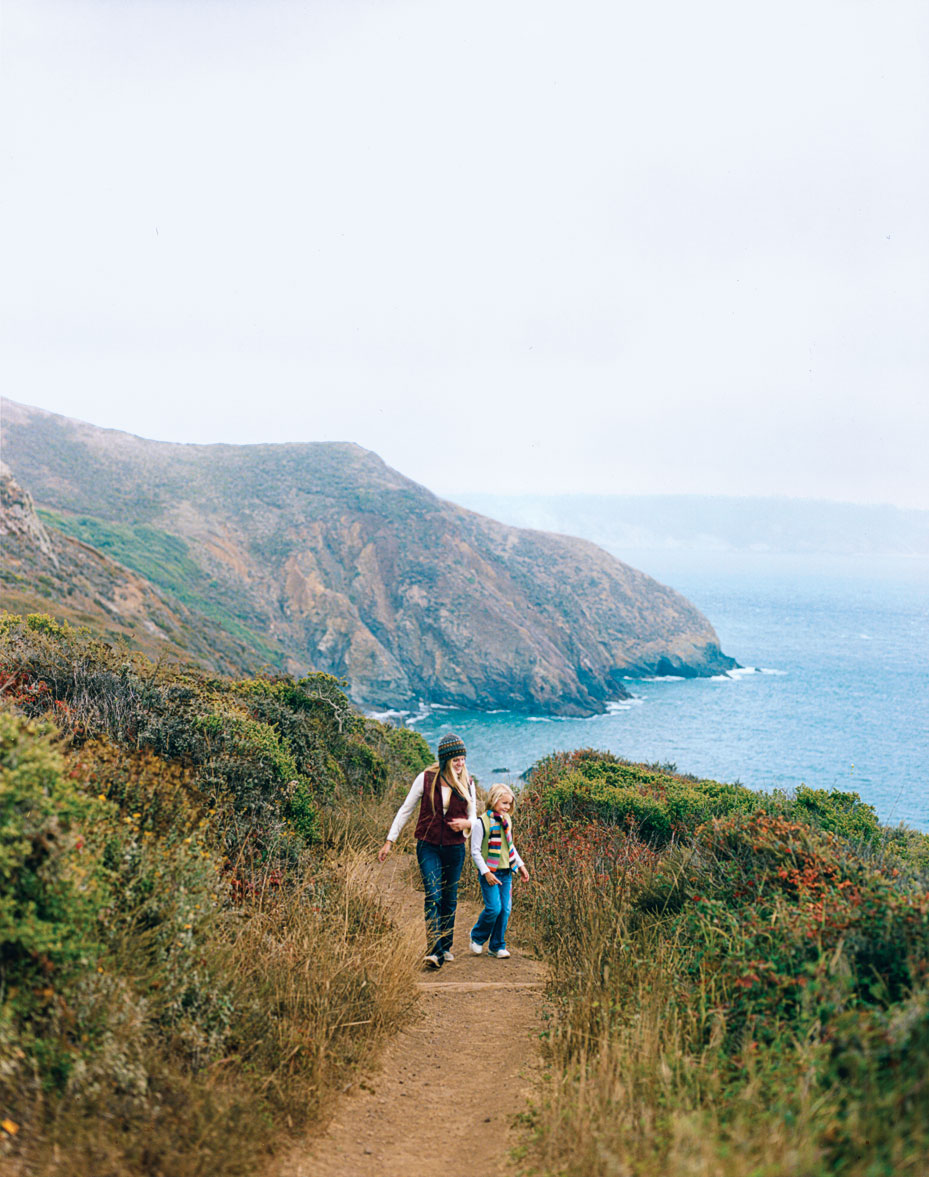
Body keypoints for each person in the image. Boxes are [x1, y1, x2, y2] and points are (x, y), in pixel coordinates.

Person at [378, 733, 477, 969]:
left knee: (450, 898)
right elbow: (405, 810)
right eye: (455, 760)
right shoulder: (425, 778)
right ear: (444, 760)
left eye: (462, 759)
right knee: (433, 894)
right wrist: (389, 841)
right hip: (428, 846)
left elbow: (474, 814)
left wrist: (467, 825)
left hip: (455, 848)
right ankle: (433, 950)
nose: (460, 764)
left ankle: (445, 945)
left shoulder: (468, 782)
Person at [468, 783, 530, 959]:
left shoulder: (506, 820)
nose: (507, 807)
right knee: (494, 908)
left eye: (509, 804)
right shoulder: (482, 822)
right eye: (504, 803)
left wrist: (521, 865)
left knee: (505, 910)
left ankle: (496, 946)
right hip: (490, 873)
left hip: (506, 871)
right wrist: (486, 872)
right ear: (493, 801)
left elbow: (510, 846)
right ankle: (477, 937)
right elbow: (475, 851)